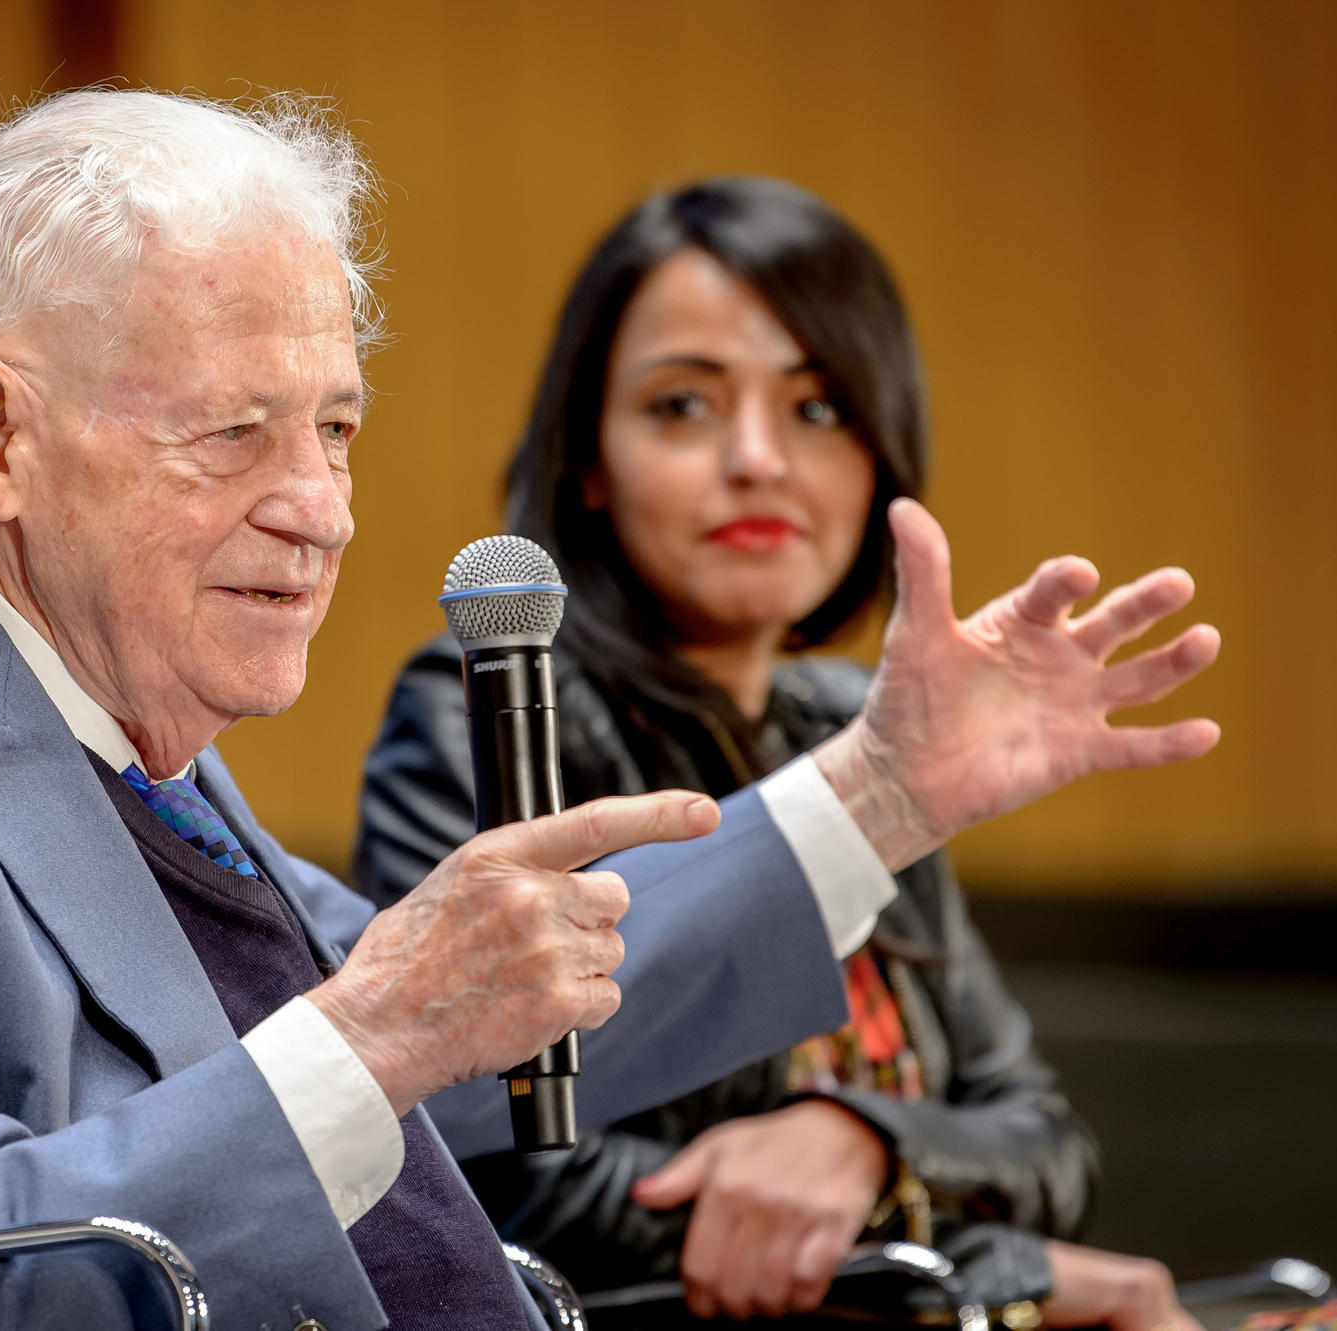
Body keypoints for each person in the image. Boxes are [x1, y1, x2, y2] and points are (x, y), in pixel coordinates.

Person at [0, 91, 1220, 1331]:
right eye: (236, 431)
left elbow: (488, 1000)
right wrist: (370, 1030)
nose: (322, 509)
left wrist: (887, 788)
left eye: (336, 427)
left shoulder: (123, 733)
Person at [356, 177, 1208, 1331]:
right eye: (682, 406)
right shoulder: (494, 714)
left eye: (815, 410)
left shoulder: (857, 724)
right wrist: (988, 1267)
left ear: (879, 453)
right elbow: (489, 1167)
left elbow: (1042, 1134)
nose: (756, 458)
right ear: (588, 460)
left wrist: (861, 1140)